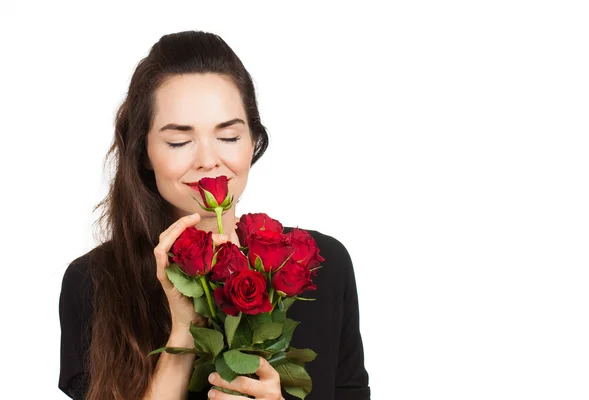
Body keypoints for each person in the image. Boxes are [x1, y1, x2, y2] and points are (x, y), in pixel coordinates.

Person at [58, 30, 370, 400]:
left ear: (254, 141)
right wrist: (183, 330)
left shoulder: (317, 263)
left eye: (228, 137)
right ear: (143, 152)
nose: (208, 160)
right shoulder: (94, 282)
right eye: (179, 141)